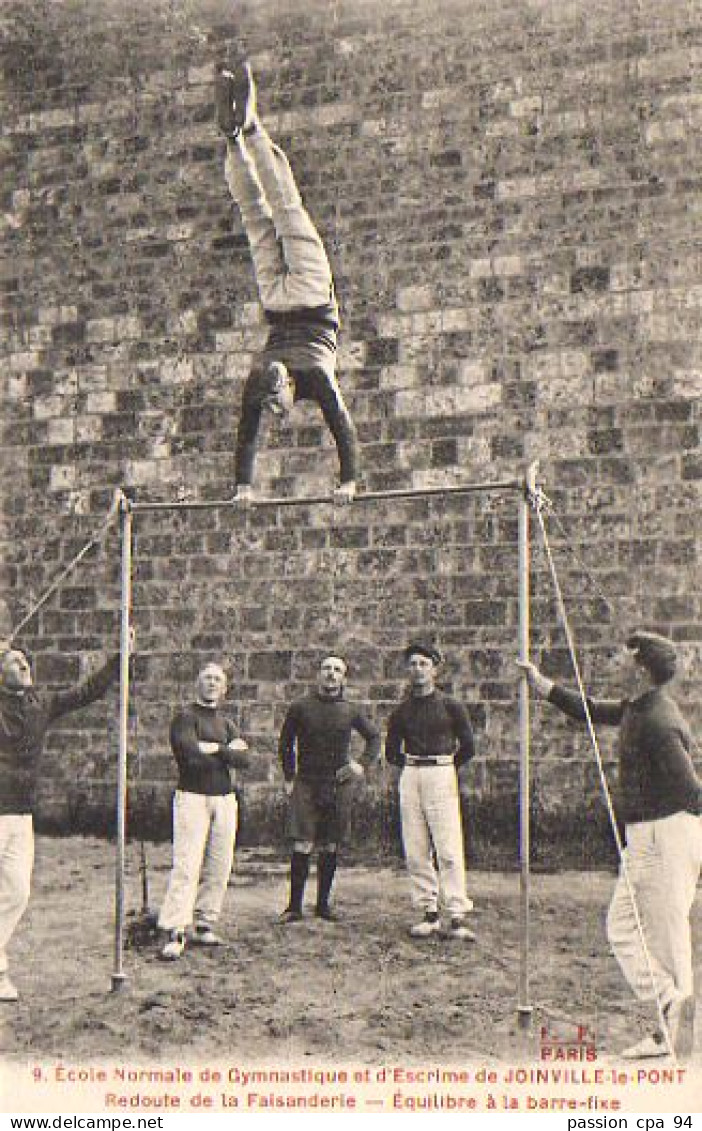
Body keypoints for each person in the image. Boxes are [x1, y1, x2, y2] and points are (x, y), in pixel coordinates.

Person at [518, 630, 702, 1059]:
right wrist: (544, 687)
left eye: (621, 658)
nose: (613, 662)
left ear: (640, 669)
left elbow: (692, 791)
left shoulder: (659, 721)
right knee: (623, 927)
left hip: (666, 835)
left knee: (664, 934)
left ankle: (672, 1030)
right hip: (644, 836)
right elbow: (592, 710)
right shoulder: (638, 707)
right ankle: (670, 1007)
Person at [215, 61, 360, 503]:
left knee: (279, 211)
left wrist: (348, 482)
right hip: (285, 302)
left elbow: (342, 429)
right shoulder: (284, 377)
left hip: (305, 300)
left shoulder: (295, 378)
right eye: (277, 407)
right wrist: (242, 487)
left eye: (275, 407)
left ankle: (243, 134)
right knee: (265, 216)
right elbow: (336, 428)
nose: (278, 414)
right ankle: (239, 137)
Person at [0, 643, 121, 1002]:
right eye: (14, 662)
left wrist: (120, 658)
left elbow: (86, 692)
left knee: (18, 892)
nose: (24, 665)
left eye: (25, 660)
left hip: (21, 815)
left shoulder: (41, 704)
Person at [385, 641, 476, 941]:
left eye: (424, 664)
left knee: (448, 846)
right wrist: (414, 766)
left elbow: (468, 747)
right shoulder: (401, 711)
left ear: (435, 669)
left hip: (441, 772)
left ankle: (457, 914)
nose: (418, 670)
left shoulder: (451, 706)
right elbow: (391, 752)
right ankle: (428, 913)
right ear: (407, 670)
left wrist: (444, 767)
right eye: (413, 664)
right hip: (411, 774)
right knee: (416, 847)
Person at [278, 654, 380, 922]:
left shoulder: (350, 709)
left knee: (331, 845)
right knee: (302, 843)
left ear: (343, 677)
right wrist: (289, 777)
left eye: (337, 670)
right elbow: (285, 743)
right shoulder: (301, 707)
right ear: (318, 674)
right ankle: (294, 907)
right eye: (326, 669)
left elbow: (374, 737)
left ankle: (323, 905)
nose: (331, 674)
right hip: (307, 782)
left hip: (337, 785)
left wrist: (360, 765)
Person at [158, 663, 250, 960]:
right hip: (193, 798)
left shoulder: (227, 722)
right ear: (198, 684)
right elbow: (189, 756)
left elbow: (245, 759)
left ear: (224, 689)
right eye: (207, 678)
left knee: (219, 864)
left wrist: (216, 749)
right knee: (187, 864)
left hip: (224, 800)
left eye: (217, 680)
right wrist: (226, 752)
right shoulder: (185, 718)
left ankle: (204, 922)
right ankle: (176, 929)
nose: (212, 683)